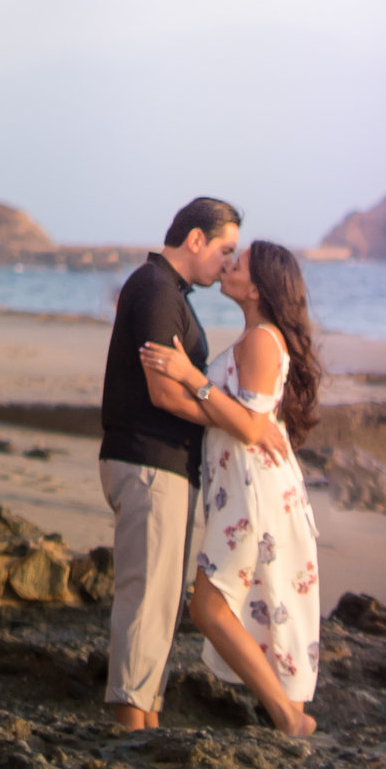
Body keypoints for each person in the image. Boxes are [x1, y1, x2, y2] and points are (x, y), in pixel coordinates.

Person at [97, 195, 281, 729]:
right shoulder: (155, 289)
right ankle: (131, 727)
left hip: (163, 464)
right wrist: (240, 423)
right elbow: (163, 392)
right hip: (149, 461)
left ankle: (145, 721)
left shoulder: (167, 291)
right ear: (195, 239)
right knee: (146, 597)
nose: (228, 262)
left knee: (160, 603)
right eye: (225, 249)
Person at [140, 236, 323, 739]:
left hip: (255, 493)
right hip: (244, 489)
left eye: (237, 263)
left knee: (209, 606)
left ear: (258, 288)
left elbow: (247, 425)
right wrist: (193, 389)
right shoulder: (255, 338)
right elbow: (237, 419)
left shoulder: (263, 340)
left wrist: (189, 377)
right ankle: (289, 715)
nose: (227, 265)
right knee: (270, 602)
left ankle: (288, 718)